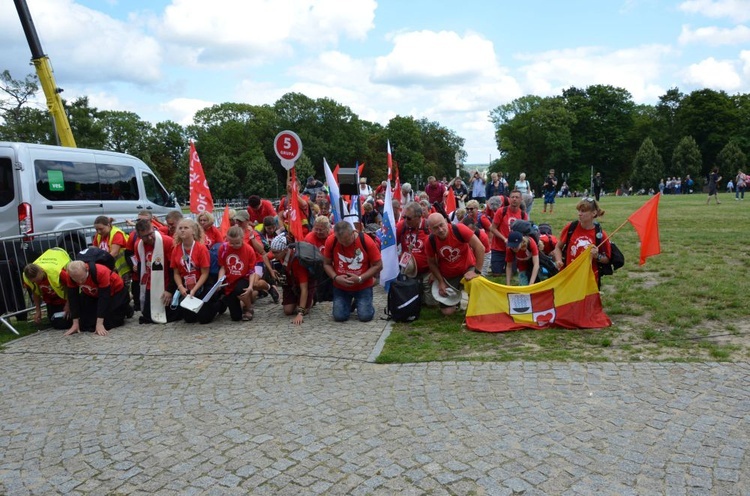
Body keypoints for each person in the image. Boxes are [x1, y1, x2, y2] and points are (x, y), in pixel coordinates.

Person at [424, 213, 484, 315]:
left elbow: (480, 247)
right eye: (435, 228)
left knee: (476, 292)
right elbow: (432, 263)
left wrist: (476, 271)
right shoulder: (430, 241)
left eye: (441, 225)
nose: (440, 230)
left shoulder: (459, 229)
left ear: (446, 222)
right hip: (449, 274)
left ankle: (473, 301)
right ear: (430, 229)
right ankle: (457, 302)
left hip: (468, 267)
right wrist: (441, 281)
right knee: (447, 312)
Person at [323, 221, 382, 322]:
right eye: (340, 241)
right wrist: (335, 277)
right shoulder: (331, 240)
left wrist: (360, 278)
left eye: (347, 240)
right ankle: (350, 303)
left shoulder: (366, 241)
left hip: (362, 285)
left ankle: (362, 303)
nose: (344, 244)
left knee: (365, 317)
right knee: (339, 317)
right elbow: (326, 264)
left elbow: (379, 265)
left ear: (353, 232)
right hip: (340, 286)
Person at [552, 197, 612, 287]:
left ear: (594, 213)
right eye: (579, 210)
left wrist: (597, 256)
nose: (579, 214)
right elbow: (558, 247)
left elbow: (607, 259)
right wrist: (559, 261)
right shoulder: (571, 227)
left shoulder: (600, 235)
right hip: (569, 276)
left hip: (589, 280)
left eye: (583, 211)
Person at [61, 260, 129, 336]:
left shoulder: (100, 272)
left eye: (82, 279)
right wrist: (75, 323)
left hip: (115, 293)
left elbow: (104, 298)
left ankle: (127, 309)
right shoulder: (70, 276)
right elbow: (73, 298)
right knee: (85, 324)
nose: (80, 282)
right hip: (93, 294)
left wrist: (100, 324)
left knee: (108, 323)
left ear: (87, 269)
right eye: (77, 280)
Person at [170, 218, 218, 324]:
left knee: (204, 319)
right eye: (180, 228)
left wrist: (194, 290)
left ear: (193, 231)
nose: (182, 230)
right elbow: (176, 273)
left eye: (186, 228)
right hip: (186, 285)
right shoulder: (176, 249)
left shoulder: (201, 248)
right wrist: (180, 287)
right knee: (189, 320)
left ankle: (219, 304)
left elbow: (205, 273)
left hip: (202, 283)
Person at [133, 218, 179, 324]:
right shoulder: (138, 246)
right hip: (151, 284)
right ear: (139, 237)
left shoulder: (166, 242)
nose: (149, 238)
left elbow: (174, 269)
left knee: (169, 314)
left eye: (151, 233)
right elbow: (142, 267)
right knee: (149, 315)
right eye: (145, 236)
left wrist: (170, 290)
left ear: (153, 229)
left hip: (166, 282)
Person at [268, 234, 316, 325]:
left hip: (305, 283)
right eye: (272, 252)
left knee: (301, 308)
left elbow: (304, 288)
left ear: (285, 250)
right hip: (291, 283)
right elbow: (265, 257)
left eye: (276, 252)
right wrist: (271, 270)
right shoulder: (281, 253)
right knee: (288, 310)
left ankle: (312, 298)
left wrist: (300, 313)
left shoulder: (297, 261)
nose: (273, 255)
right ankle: (299, 299)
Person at [22, 248, 71, 329]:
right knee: (55, 323)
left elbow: (71, 286)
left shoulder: (56, 272)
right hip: (51, 300)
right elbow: (35, 292)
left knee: (65, 323)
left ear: (41, 271)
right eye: (35, 282)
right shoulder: (27, 277)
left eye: (39, 280)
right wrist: (38, 310)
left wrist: (68, 304)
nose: (38, 282)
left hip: (64, 299)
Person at [396, 202, 434, 305]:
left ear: (419, 217)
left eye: (409, 218)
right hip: (409, 271)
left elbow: (438, 249)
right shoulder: (402, 226)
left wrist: (435, 273)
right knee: (412, 302)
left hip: (428, 271)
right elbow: (391, 243)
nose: (405, 220)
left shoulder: (428, 227)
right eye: (404, 217)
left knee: (430, 304)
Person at [217, 226, 257, 322]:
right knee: (236, 317)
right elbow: (222, 267)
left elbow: (252, 271)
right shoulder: (224, 248)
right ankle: (235, 302)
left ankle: (249, 307)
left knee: (240, 290)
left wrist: (251, 286)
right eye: (232, 243)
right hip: (230, 280)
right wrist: (219, 281)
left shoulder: (249, 250)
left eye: (237, 243)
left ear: (242, 238)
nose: (234, 245)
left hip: (244, 277)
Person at [488, 190, 528, 277]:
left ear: (521, 199)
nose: (514, 199)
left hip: (513, 249)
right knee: (496, 274)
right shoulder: (501, 211)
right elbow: (492, 228)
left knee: (512, 273)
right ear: (509, 199)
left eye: (517, 197)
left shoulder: (523, 215)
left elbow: (525, 232)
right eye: (512, 197)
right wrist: (504, 239)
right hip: (498, 248)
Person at [304, 215, 333, 302]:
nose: (318, 232)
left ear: (327, 229)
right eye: (316, 229)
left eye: (321, 230)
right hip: (316, 267)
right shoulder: (309, 238)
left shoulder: (333, 236)